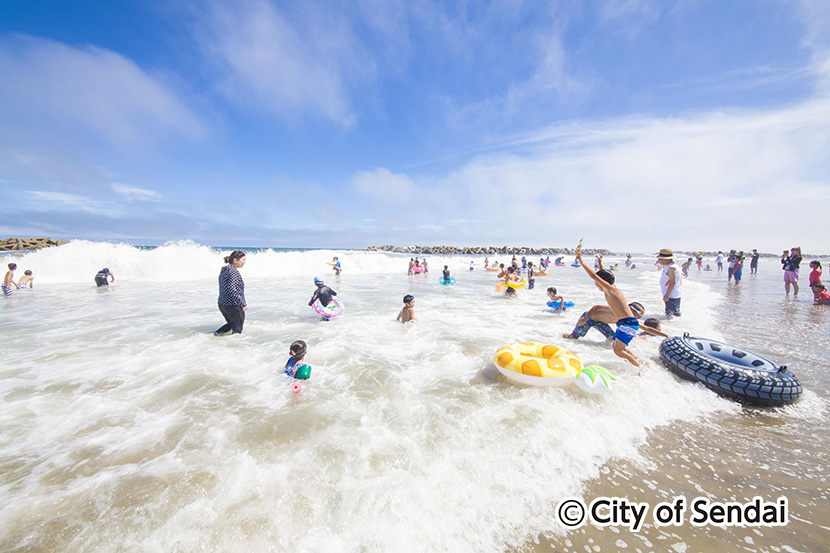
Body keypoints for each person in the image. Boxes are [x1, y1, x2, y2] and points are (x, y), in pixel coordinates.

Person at [571, 245, 647, 367]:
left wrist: (582, 262)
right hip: (625, 323)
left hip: (628, 323)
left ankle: (640, 368)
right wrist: (600, 263)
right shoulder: (611, 289)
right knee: (617, 347)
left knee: (618, 351)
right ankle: (640, 361)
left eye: (597, 282)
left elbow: (596, 276)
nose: (596, 284)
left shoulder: (611, 290)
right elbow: (602, 276)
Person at [214, 251, 247, 336]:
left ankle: (214, 335)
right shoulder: (233, 272)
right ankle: (235, 348)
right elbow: (232, 289)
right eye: (243, 260)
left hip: (223, 304)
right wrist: (242, 303)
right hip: (233, 305)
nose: (244, 262)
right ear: (235, 260)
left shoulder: (224, 271)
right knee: (237, 332)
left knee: (232, 325)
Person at [656, 249, 682, 317]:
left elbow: (673, 281)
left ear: (666, 259)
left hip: (672, 296)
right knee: (671, 314)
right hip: (671, 295)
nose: (658, 260)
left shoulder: (671, 268)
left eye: (660, 259)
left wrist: (667, 295)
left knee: (672, 315)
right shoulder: (668, 266)